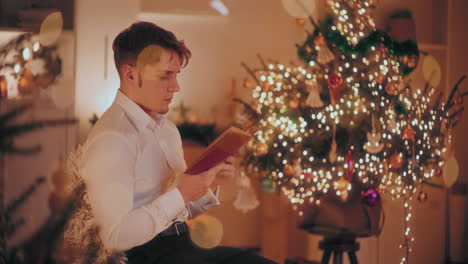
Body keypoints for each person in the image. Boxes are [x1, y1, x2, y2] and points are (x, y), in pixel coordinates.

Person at [79, 21, 277, 264]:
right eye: (165, 76)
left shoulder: (166, 130)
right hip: (144, 257)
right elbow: (114, 237)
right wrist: (182, 193)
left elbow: (179, 211)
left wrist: (207, 184)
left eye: (176, 75)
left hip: (182, 245)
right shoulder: (112, 139)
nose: (176, 87)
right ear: (131, 74)